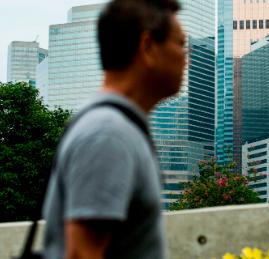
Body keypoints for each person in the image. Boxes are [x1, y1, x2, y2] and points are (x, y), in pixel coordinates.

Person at [42, 0, 185, 258]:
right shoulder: (108, 135)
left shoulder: (118, 128)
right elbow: (81, 254)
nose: (186, 56)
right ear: (148, 47)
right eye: (180, 44)